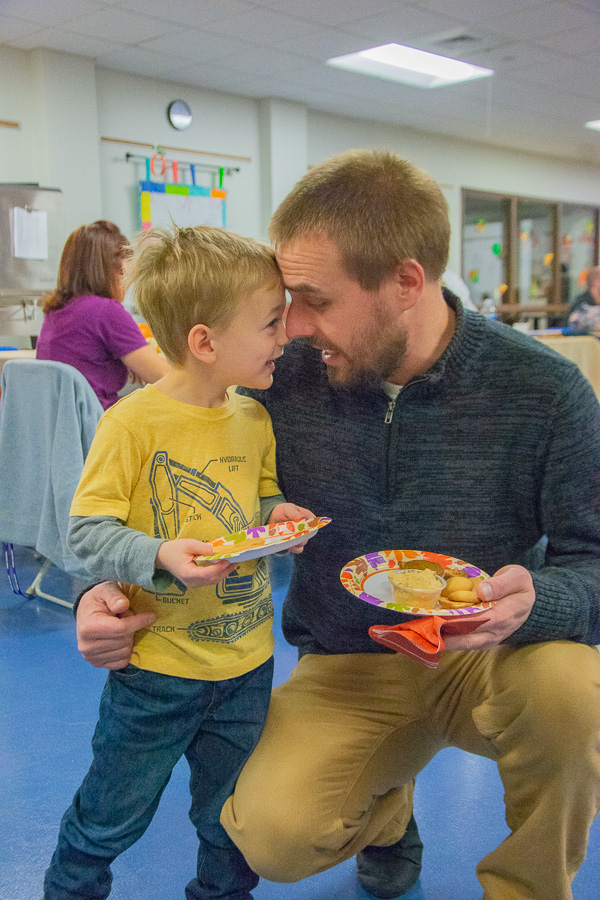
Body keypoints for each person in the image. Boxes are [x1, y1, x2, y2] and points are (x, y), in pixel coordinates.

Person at [74, 151, 600, 900]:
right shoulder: (276, 373)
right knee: (270, 836)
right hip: (347, 661)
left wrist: (536, 602)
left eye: (314, 298)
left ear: (406, 283)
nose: (292, 324)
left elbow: (591, 558)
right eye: (286, 300)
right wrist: (106, 588)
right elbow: (162, 483)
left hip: (489, 656)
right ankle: (389, 811)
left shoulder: (545, 390)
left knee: (575, 694)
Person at [43, 225, 314, 900]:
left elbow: (261, 494)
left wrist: (278, 515)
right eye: (271, 323)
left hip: (248, 666)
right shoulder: (131, 426)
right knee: (110, 818)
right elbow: (86, 531)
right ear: (205, 342)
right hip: (155, 678)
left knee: (229, 820)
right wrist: (158, 554)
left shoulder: (254, 419)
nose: (286, 339)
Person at [36, 219, 168, 409]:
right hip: (96, 426)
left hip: (61, 426)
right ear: (116, 267)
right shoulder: (107, 311)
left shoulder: (56, 311)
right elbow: (163, 376)